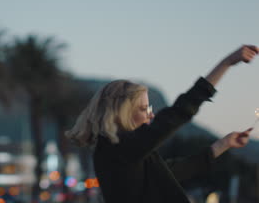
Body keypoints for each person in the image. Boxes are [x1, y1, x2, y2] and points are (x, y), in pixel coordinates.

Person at [66, 45, 259, 203]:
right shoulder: (119, 148)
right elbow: (179, 112)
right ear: (122, 112)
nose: (150, 116)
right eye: (144, 109)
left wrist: (224, 144)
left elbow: (177, 170)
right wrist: (226, 63)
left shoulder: (123, 152)